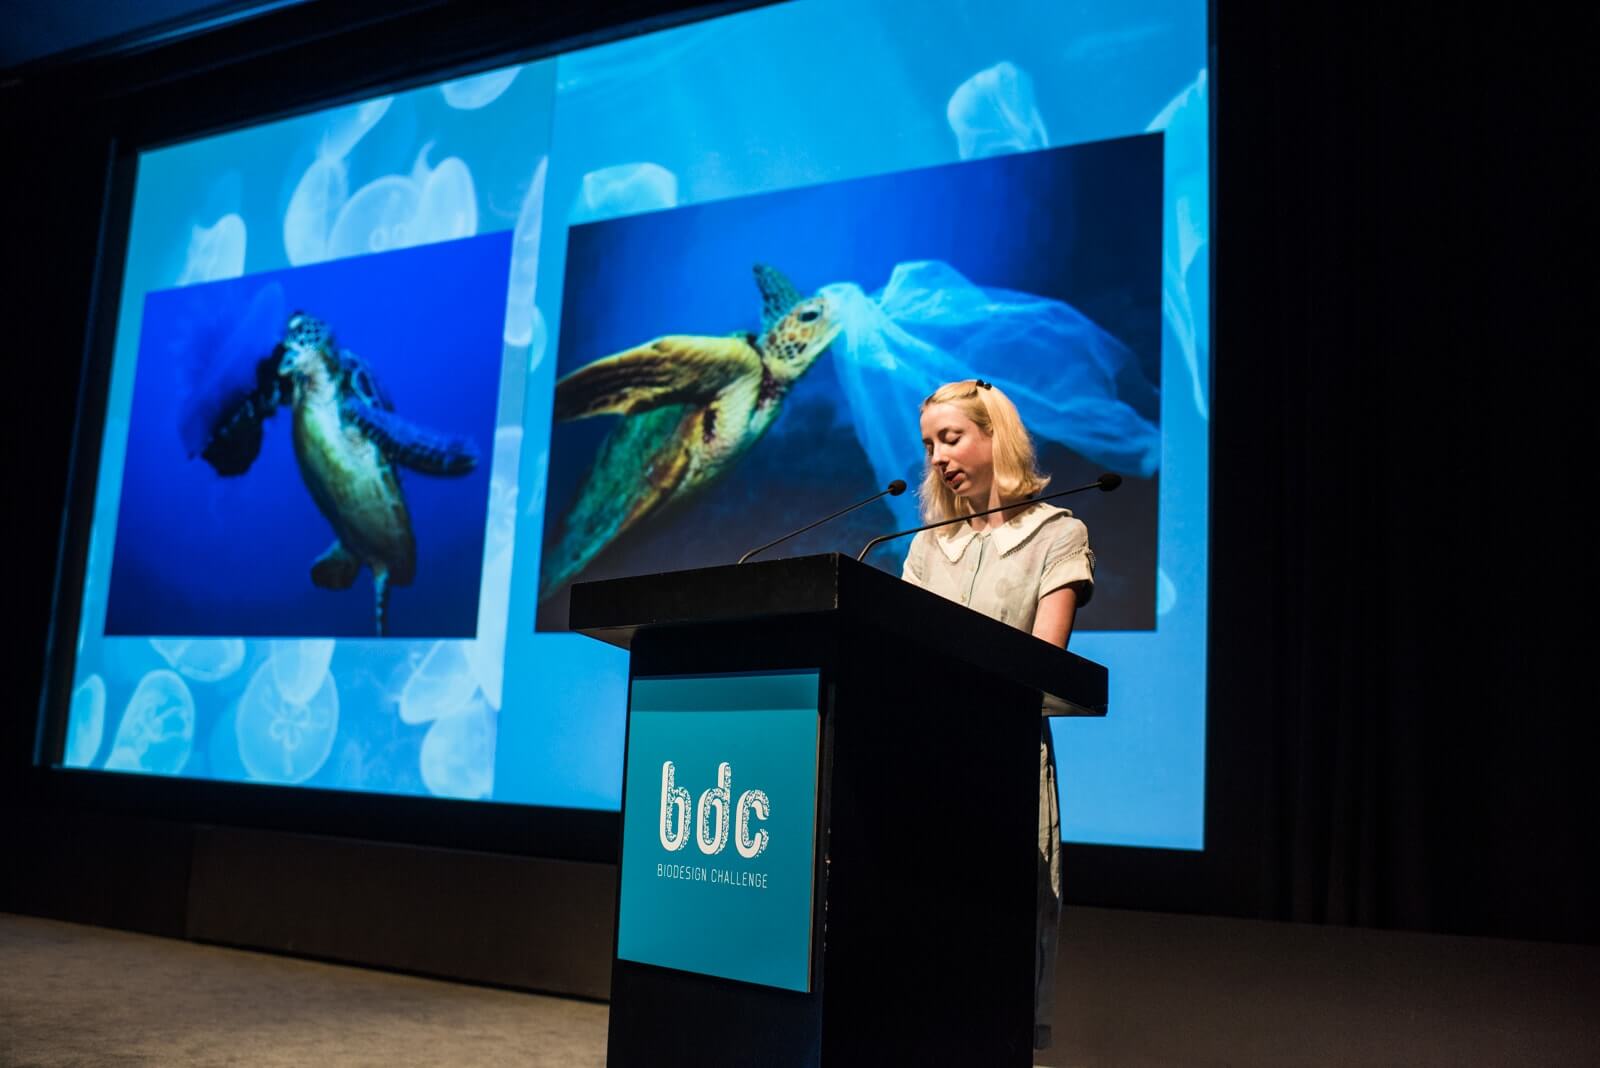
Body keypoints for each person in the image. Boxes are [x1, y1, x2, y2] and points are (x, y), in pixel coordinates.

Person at [899, 379, 1094, 1053]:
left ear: (994, 437)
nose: (937, 458)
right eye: (929, 445)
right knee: (926, 960)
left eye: (950, 438)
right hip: (928, 768)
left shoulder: (1058, 535)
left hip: (1004, 766)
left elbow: (1044, 665)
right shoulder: (927, 547)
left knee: (996, 963)